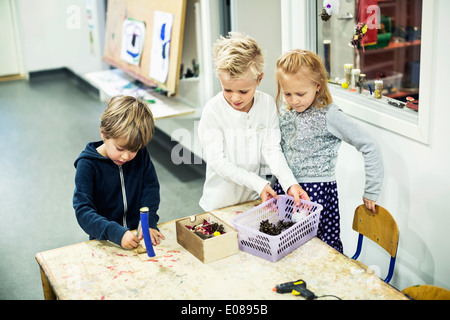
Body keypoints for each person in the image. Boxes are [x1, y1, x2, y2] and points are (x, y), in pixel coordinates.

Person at [273, 49, 384, 253]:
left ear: (318, 86)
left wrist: (371, 190)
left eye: (300, 94)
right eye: (287, 93)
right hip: (287, 191)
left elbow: (370, 146)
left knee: (321, 252)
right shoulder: (285, 111)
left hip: (317, 195)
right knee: (286, 251)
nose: (293, 100)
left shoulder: (329, 115)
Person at [197, 32, 309, 211]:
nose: (235, 98)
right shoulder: (213, 111)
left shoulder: (266, 104)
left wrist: (290, 183)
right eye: (227, 89)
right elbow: (218, 163)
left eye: (243, 91)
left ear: (259, 79)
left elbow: (271, 149)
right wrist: (258, 183)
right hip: (218, 205)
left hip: (252, 202)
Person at [73, 95, 164, 250]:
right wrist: (115, 233)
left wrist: (148, 222)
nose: (126, 156)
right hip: (106, 239)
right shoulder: (87, 165)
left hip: (139, 234)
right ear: (103, 133)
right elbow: (83, 211)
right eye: (120, 148)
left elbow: (150, 188)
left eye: (133, 150)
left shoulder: (141, 154)